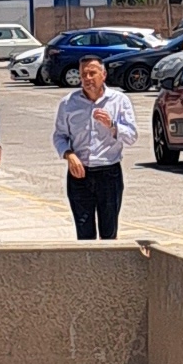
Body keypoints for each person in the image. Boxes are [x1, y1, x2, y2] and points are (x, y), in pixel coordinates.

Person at [52, 54, 139, 240]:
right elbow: (59, 135)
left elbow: (132, 136)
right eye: (84, 74)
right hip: (80, 175)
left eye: (92, 73)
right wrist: (68, 155)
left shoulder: (119, 101)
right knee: (84, 234)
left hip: (109, 174)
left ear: (104, 75)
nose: (87, 78)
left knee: (109, 233)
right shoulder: (68, 103)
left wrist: (113, 125)